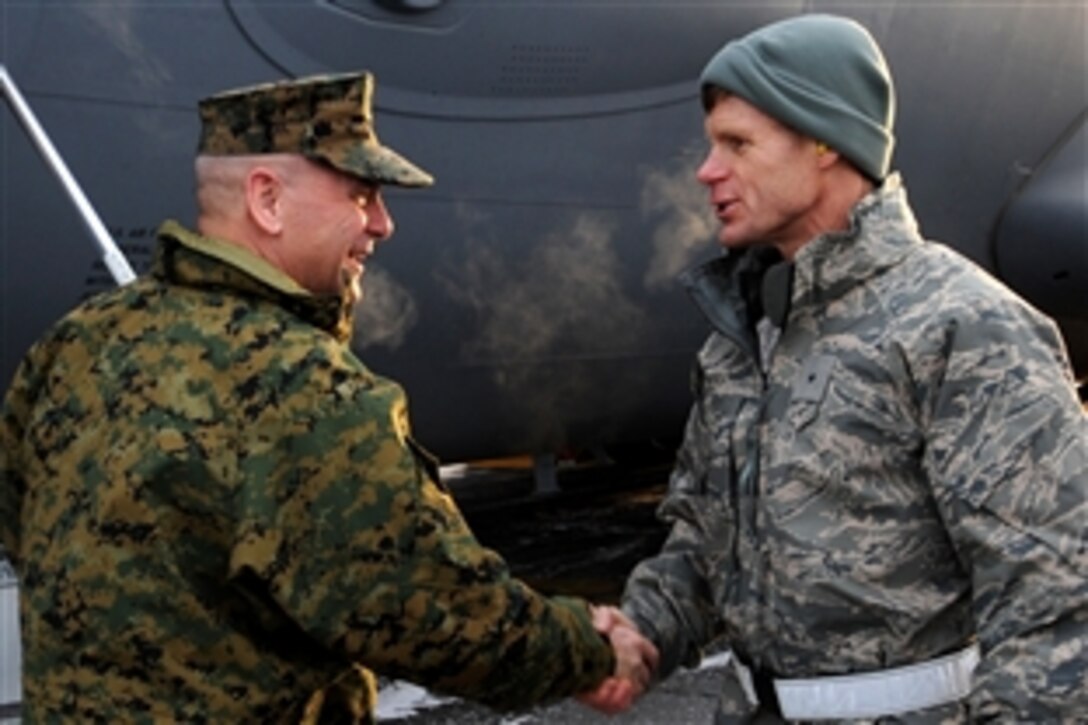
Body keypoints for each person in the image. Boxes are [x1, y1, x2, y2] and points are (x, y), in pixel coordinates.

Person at [0, 71, 657, 723]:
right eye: (362, 194)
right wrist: (590, 650)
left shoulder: (76, 342)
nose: (383, 224)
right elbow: (438, 610)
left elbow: (19, 521)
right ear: (267, 200)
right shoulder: (304, 387)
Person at [583, 13, 1088, 723]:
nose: (707, 171)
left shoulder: (964, 327)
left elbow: (1059, 607)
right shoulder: (742, 337)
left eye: (738, 144)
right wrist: (642, 634)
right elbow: (703, 542)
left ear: (825, 141)